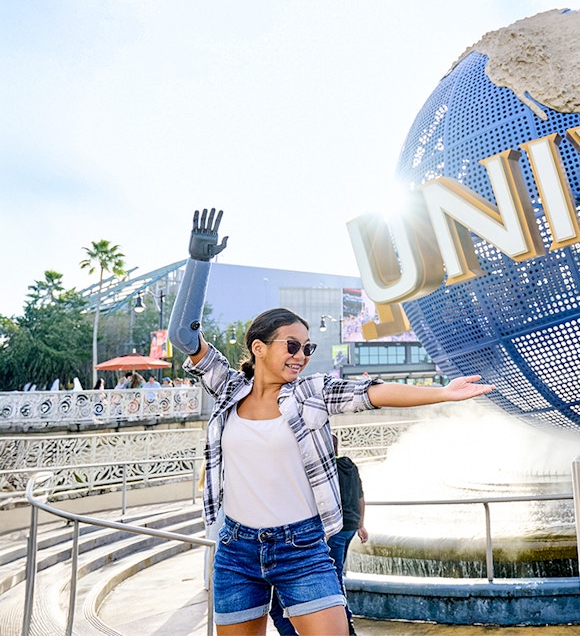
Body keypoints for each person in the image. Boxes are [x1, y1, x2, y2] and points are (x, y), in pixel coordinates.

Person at [167, 208, 494, 636]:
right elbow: (182, 337)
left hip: (301, 546)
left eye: (308, 346)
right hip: (236, 548)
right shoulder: (228, 389)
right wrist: (200, 262)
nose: (302, 355)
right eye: (292, 345)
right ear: (259, 347)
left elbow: (371, 392)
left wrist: (442, 392)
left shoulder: (310, 393)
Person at [269, 433, 366, 636]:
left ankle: (347, 628)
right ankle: (347, 627)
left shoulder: (325, 470)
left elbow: (322, 502)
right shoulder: (350, 466)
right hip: (350, 527)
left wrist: (325, 534)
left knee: (334, 581)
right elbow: (360, 497)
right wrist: (361, 524)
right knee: (335, 577)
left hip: (334, 531)